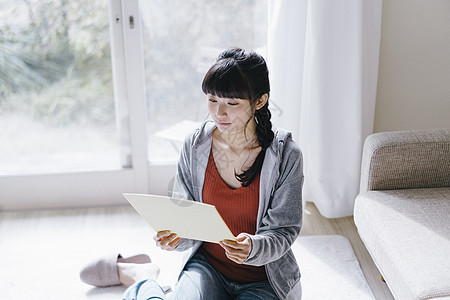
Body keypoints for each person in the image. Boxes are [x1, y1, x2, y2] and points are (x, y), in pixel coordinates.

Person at [84, 48, 304, 300]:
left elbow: (284, 231)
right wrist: (177, 237)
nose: (219, 113)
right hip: (208, 268)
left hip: (263, 280)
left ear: (260, 101)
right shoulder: (196, 144)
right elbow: (188, 217)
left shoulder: (286, 155)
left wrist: (253, 248)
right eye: (212, 100)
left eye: (232, 104)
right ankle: (142, 276)